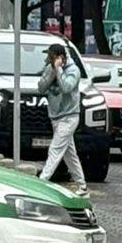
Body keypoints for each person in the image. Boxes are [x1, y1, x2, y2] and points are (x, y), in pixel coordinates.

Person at [36, 43, 86, 186]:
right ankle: (81, 184)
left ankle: (42, 182)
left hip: (69, 116)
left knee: (55, 148)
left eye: (51, 57)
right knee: (69, 154)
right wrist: (51, 72)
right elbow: (41, 88)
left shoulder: (73, 70)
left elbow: (66, 87)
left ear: (61, 57)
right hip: (55, 117)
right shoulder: (49, 68)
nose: (48, 60)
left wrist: (58, 70)